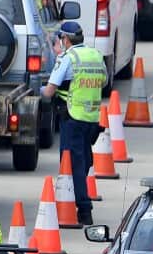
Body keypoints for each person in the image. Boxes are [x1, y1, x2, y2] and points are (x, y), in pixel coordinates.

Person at [41, 20, 107, 226]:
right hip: (92, 118)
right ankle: (79, 201)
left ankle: (83, 209)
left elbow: (49, 92)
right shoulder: (95, 55)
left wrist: (37, 91)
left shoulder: (68, 58)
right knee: (85, 162)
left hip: (73, 118)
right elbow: (103, 80)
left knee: (72, 166)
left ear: (65, 39)